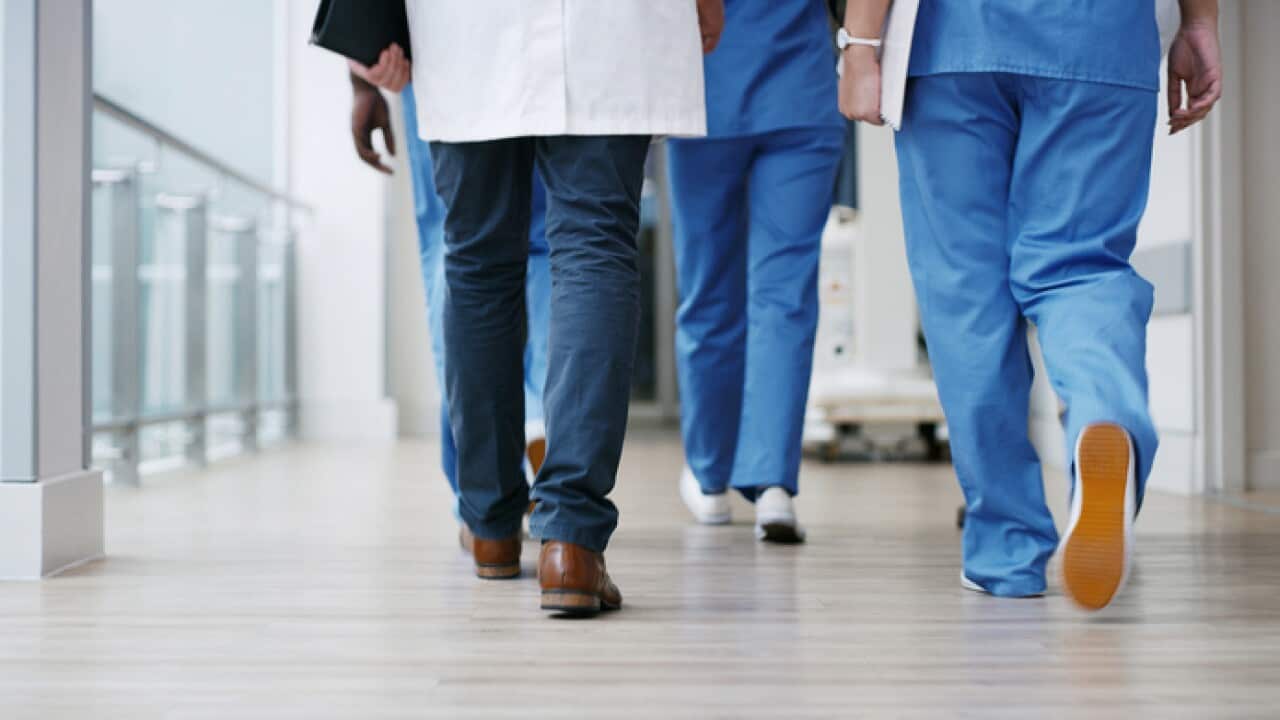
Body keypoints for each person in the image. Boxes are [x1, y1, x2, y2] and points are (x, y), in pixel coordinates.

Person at [839, 0, 1222, 610]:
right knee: (1081, 267)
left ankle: (1007, 549)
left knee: (966, 295)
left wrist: (859, 42)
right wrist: (1200, 22)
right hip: (1099, 37)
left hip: (953, 42)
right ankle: (1104, 413)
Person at [396, 0, 723, 616]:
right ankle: (571, 541)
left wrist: (366, 38)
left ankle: (490, 521)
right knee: (594, 247)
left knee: (475, 260)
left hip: (468, 30)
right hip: (613, 26)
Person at [667, 0, 843, 543]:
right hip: (802, 86)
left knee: (706, 290)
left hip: (705, 87)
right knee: (784, 295)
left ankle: (711, 476)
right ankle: (772, 487)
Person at [348, 54, 552, 515]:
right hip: (547, 41)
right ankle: (541, 414)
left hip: (444, 49)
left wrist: (361, 81)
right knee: (549, 241)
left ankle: (483, 505)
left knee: (455, 239)